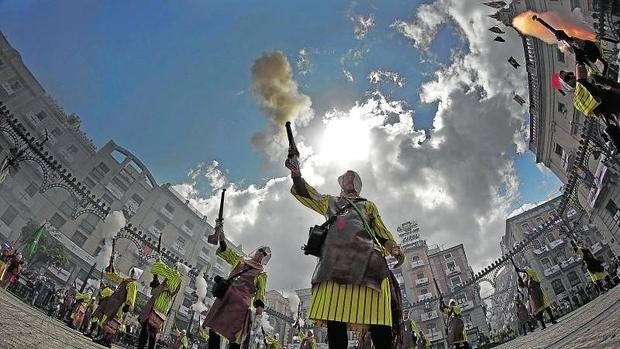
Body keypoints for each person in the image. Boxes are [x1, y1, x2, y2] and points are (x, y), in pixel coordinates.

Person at [286, 155, 405, 349]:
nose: (349, 181)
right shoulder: (329, 201)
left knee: (379, 323)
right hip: (333, 263)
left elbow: (381, 232)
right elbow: (308, 195)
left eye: (353, 178)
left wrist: (394, 248)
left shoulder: (368, 205)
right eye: (346, 178)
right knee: (335, 320)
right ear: (341, 182)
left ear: (357, 185)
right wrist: (296, 174)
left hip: (368, 261)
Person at [202, 224, 269, 349]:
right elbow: (226, 251)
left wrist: (258, 316)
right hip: (226, 299)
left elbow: (260, 296)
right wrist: (221, 234)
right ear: (256, 251)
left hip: (241, 306)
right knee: (214, 328)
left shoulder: (262, 274)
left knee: (235, 338)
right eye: (260, 251)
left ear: (266, 258)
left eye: (264, 254)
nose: (261, 254)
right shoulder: (241, 260)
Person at [137, 259, 183, 349]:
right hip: (165, 306)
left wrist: (159, 260)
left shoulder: (175, 274)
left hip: (158, 302)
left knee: (146, 327)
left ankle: (141, 347)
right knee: (153, 331)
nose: (173, 268)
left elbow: (162, 268)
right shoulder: (180, 280)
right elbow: (174, 291)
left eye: (175, 267)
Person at [93, 266, 141, 348]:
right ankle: (105, 340)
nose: (131, 273)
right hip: (115, 303)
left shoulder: (132, 284)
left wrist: (127, 305)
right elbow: (116, 277)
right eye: (132, 272)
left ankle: (106, 339)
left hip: (120, 306)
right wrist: (112, 270)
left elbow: (131, 296)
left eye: (133, 272)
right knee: (108, 321)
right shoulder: (126, 281)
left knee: (113, 323)